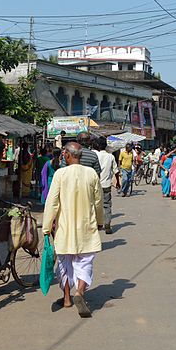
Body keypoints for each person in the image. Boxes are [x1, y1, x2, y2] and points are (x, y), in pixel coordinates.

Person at [42, 142, 103, 318]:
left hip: (64, 228)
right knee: (85, 263)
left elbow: (52, 202)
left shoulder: (60, 174)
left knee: (64, 264)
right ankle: (80, 293)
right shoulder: (91, 173)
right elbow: (98, 202)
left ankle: (67, 298)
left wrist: (47, 226)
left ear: (67, 155)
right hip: (86, 227)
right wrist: (100, 221)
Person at [93, 136, 118, 235]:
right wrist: (118, 182)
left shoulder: (94, 154)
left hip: (94, 184)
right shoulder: (110, 156)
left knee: (94, 204)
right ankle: (107, 223)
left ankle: (95, 224)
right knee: (106, 205)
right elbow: (115, 170)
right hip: (106, 184)